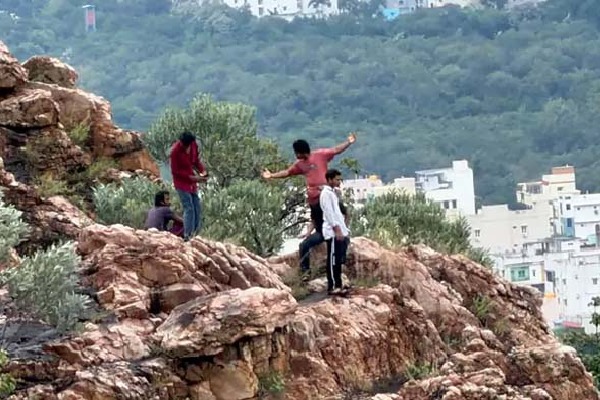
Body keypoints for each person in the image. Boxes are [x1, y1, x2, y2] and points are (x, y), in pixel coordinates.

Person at [262, 133, 356, 277]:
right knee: (305, 244)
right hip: (318, 216)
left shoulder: (320, 155)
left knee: (340, 224)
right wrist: (272, 175)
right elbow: (287, 172)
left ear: (301, 152)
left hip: (327, 206)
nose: (296, 155)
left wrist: (348, 142)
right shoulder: (300, 165)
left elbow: (336, 150)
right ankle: (305, 273)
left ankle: (340, 259)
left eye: (296, 153)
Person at [170, 132, 208, 241]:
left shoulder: (193, 145)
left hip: (191, 183)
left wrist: (203, 171)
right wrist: (193, 178)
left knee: (197, 206)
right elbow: (175, 172)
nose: (187, 148)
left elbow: (195, 161)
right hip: (181, 182)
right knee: (189, 207)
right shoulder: (175, 151)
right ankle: (188, 235)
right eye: (185, 146)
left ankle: (195, 233)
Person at [320, 169, 350, 296]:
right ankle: (332, 286)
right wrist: (336, 229)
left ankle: (338, 284)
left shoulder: (332, 193)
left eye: (339, 180)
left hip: (338, 231)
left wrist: (344, 230)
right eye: (337, 180)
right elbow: (329, 213)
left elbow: (337, 213)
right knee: (332, 260)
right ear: (329, 179)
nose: (339, 182)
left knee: (337, 259)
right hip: (332, 232)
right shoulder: (326, 194)